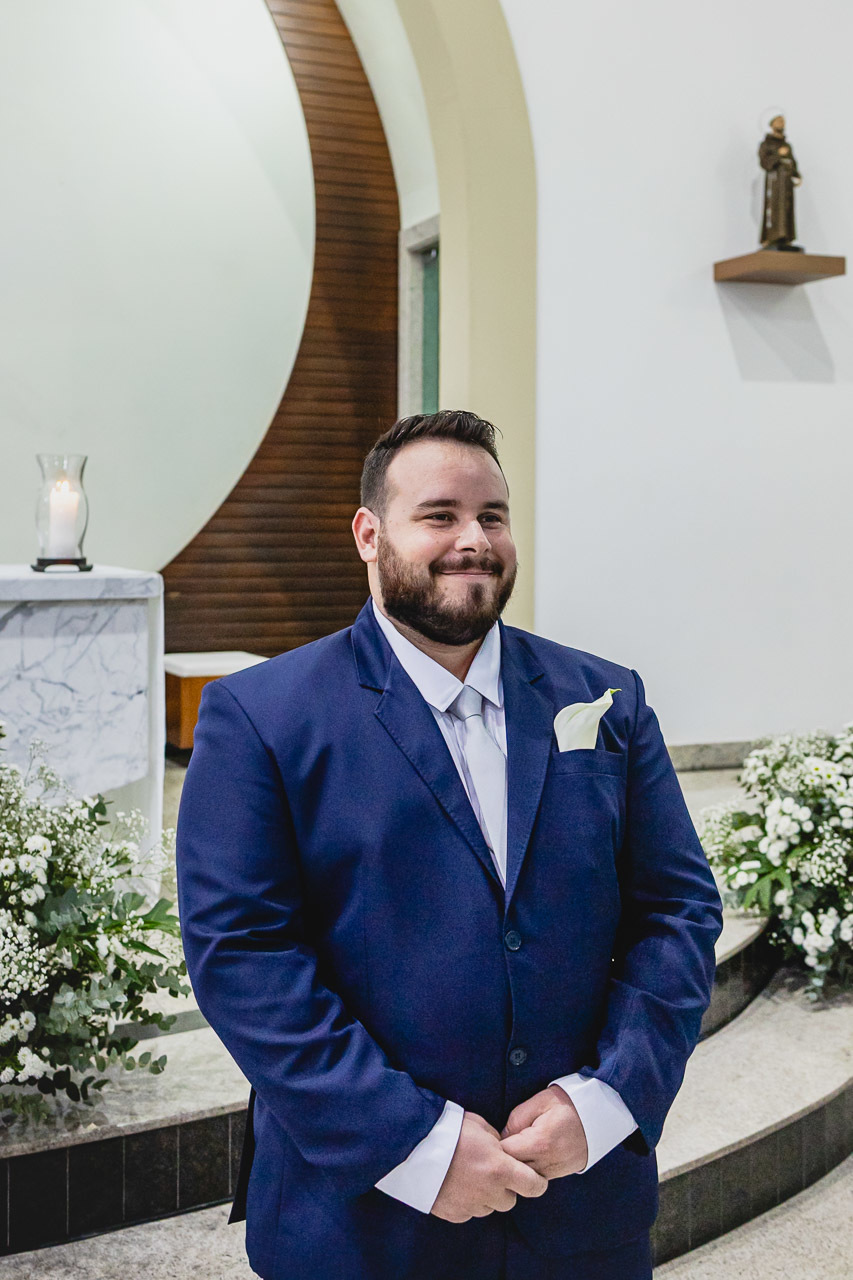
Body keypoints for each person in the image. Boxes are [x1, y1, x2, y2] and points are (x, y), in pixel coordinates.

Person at [176, 410, 724, 1280]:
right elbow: (243, 957)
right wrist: (413, 1143)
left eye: (493, 517)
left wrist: (612, 1094)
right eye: (439, 515)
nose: (473, 540)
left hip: (578, 1210)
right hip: (362, 1219)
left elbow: (678, 911)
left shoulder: (606, 698)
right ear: (369, 533)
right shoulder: (262, 716)